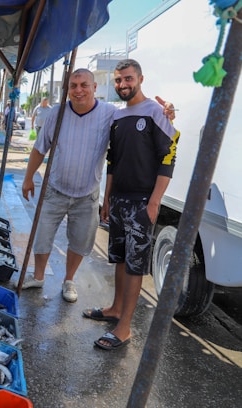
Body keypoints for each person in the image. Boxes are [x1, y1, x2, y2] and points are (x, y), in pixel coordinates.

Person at [20, 68, 175, 304]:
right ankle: (39, 276)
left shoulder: (110, 113)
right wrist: (28, 177)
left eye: (84, 85)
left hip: (87, 195)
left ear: (94, 88)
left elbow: (138, 113)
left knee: (81, 241)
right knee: (42, 235)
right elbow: (40, 148)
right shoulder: (56, 114)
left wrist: (166, 113)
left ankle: (68, 280)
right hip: (55, 188)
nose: (78, 90)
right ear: (68, 90)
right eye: (73, 86)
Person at [90, 59, 179, 351]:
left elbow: (169, 157)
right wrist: (106, 198)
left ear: (140, 78)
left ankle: (125, 328)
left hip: (142, 201)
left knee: (135, 265)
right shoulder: (117, 117)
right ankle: (116, 309)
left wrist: (154, 202)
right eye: (118, 80)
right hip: (118, 201)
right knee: (119, 258)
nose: (122, 85)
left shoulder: (155, 112)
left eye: (128, 79)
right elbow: (112, 161)